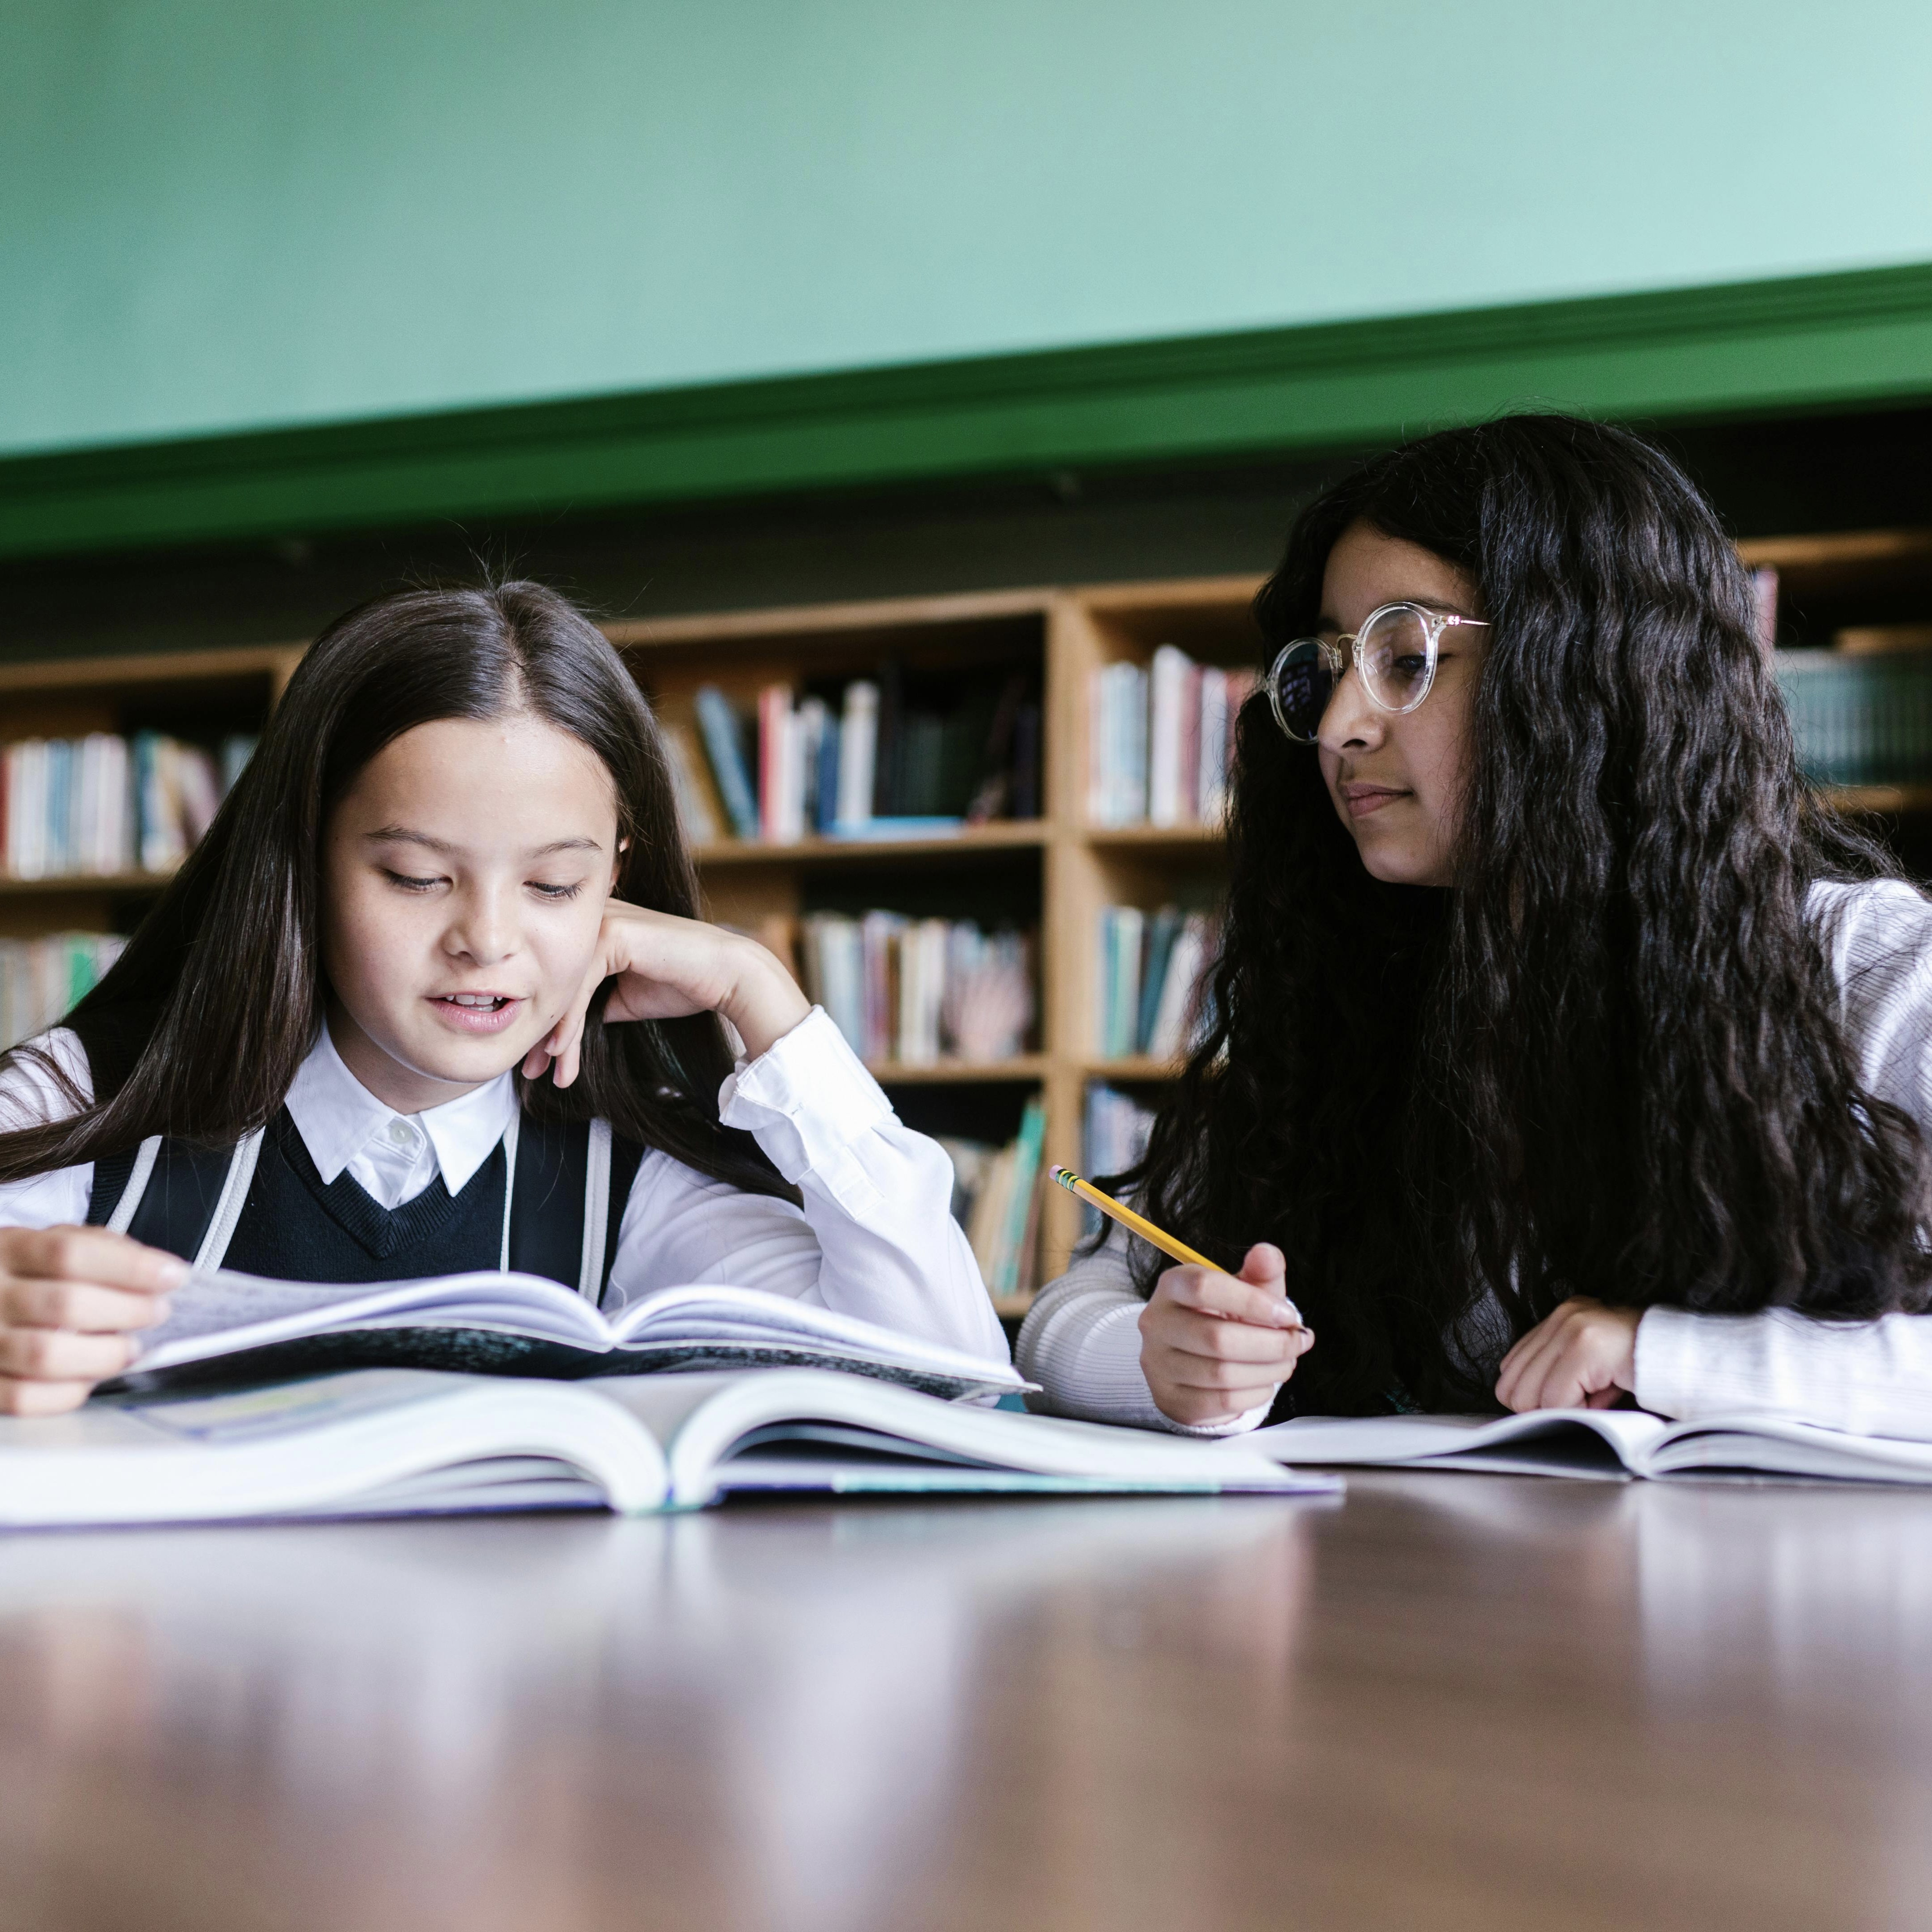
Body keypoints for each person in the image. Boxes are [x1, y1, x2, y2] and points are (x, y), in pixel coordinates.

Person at [1019, 415, 1932, 1438]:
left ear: (1590, 669)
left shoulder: (1867, 966)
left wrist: (1664, 1353)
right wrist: (1161, 1357)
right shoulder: (1348, 982)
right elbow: (1067, 1314)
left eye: (1406, 655)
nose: (1336, 726)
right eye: (1327, 666)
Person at [0, 582, 1006, 1414]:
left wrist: (763, 994)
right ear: (304, 860)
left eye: (553, 887)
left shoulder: (630, 1184)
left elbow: (941, 1372)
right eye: (414, 876)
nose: (485, 939)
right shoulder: (82, 1096)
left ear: (616, 877)